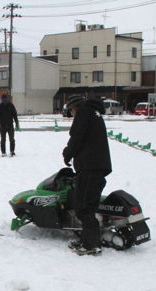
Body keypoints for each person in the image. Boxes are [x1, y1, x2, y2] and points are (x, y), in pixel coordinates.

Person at [62, 95, 112, 256]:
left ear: (75, 107)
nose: (72, 113)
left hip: (90, 166)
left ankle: (91, 244)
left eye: (71, 110)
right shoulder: (94, 113)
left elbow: (76, 137)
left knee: (83, 207)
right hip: (97, 165)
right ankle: (88, 240)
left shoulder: (84, 113)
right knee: (88, 205)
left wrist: (67, 154)